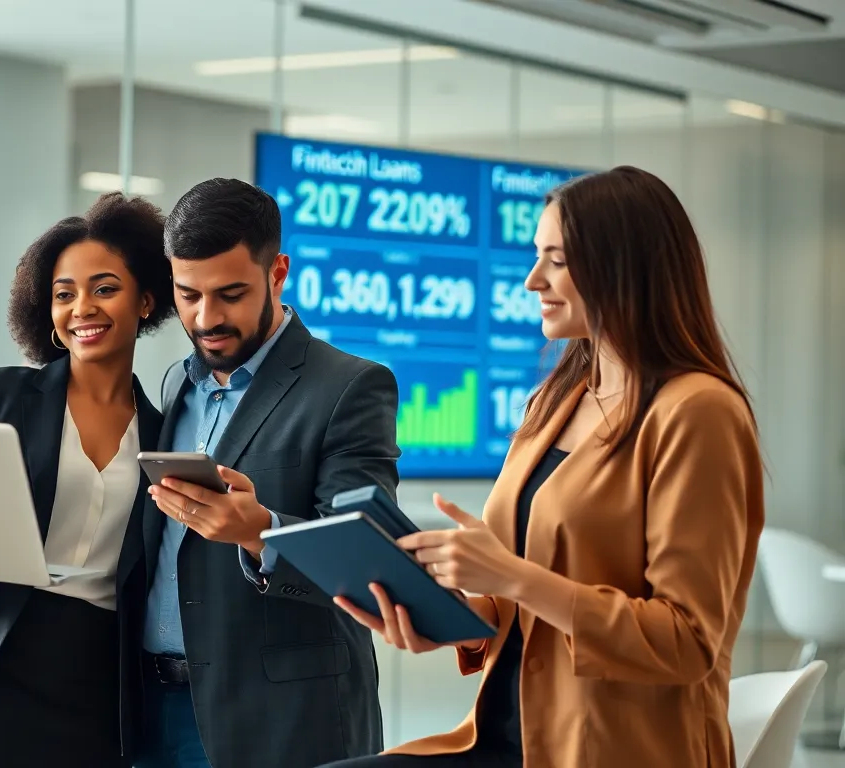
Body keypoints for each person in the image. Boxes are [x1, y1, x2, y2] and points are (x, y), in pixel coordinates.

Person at [323, 165, 764, 768]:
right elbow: (521, 602)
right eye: (538, 258)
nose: (533, 281)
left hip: (617, 750)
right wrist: (456, 617)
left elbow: (686, 641)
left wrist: (511, 578)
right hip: (509, 737)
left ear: (622, 267)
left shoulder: (699, 413)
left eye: (556, 261)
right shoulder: (557, 397)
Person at [0, 192, 177, 768]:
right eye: (64, 294)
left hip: (96, 687)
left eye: (105, 288)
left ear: (146, 300)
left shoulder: (166, 435)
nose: (83, 307)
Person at [136, 178, 399, 768]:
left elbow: (368, 561)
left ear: (277, 272)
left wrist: (261, 533)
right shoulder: (179, 383)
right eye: (188, 295)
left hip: (283, 722)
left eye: (230, 294)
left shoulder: (350, 387)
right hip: (160, 710)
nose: (206, 318)